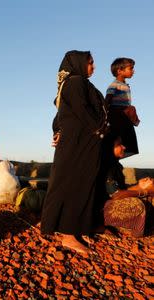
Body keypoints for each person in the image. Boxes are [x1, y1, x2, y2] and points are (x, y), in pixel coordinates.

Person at [41, 50, 108, 254]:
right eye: (90, 62)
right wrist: (99, 128)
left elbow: (62, 115)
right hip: (78, 142)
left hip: (83, 141)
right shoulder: (75, 82)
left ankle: (80, 227)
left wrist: (58, 130)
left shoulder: (79, 84)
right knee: (74, 184)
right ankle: (69, 235)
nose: (94, 66)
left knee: (83, 182)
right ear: (79, 64)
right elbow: (81, 111)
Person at [101, 135, 153, 237]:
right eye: (119, 145)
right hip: (101, 208)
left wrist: (139, 186)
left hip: (111, 201)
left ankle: (145, 225)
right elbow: (116, 194)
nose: (124, 147)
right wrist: (145, 191)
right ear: (109, 147)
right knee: (137, 206)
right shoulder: (105, 164)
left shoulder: (116, 165)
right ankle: (122, 227)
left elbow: (122, 189)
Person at [105, 57, 139, 158]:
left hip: (124, 117)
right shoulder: (114, 85)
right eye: (131, 68)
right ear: (120, 71)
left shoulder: (125, 85)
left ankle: (114, 163)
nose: (133, 71)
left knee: (128, 144)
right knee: (118, 143)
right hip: (117, 117)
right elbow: (107, 100)